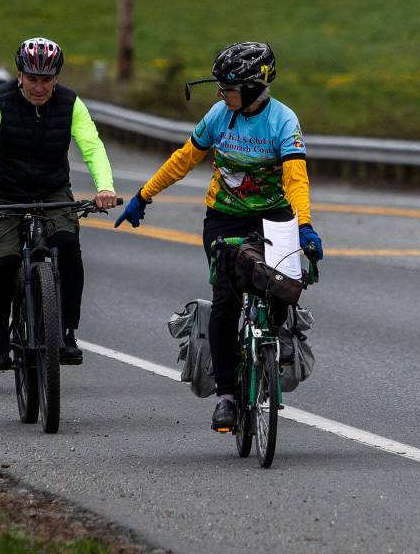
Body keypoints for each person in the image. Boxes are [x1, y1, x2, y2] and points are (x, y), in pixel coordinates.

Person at [114, 41, 323, 431]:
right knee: (226, 303)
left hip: (272, 216)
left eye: (227, 87)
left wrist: (304, 225)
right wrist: (144, 195)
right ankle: (226, 396)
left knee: (280, 286)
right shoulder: (218, 115)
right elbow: (183, 160)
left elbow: (296, 178)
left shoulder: (283, 121)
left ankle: (277, 332)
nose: (219, 94)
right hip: (223, 219)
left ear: (251, 87)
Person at [0, 37, 118, 370]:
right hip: (4, 192)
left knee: (68, 245)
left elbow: (92, 147)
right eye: (32, 78)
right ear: (20, 76)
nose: (39, 87)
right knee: (3, 261)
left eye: (47, 80)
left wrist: (105, 188)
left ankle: (67, 332)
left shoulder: (70, 103)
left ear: (56, 78)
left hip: (52, 191)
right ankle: (0, 333)